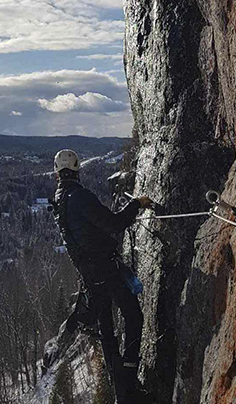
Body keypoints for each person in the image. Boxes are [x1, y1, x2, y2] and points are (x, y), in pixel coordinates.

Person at [51, 149, 152, 404]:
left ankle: (123, 394)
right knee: (133, 315)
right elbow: (115, 224)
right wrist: (137, 204)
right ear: (76, 170)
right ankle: (128, 379)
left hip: (90, 276)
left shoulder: (60, 198)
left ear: (57, 173)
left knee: (108, 334)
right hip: (105, 270)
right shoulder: (79, 196)